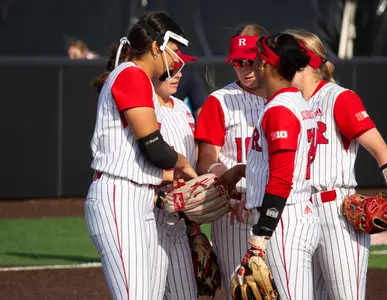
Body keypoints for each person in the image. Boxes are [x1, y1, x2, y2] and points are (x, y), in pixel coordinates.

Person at [285, 28, 387, 300]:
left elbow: (381, 150)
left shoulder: (338, 97)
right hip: (298, 211)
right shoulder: (286, 103)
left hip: (335, 213)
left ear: (301, 61)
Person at [84, 11, 197, 300]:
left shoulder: (139, 78)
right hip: (118, 197)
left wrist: (176, 177)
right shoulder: (131, 75)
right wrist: (184, 165)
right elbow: (154, 146)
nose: (177, 59)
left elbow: (140, 157)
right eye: (175, 50)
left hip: (138, 196)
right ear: (157, 46)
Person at [221, 33, 321, 300]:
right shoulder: (298, 102)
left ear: (264, 65)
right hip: (296, 212)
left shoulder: (280, 109)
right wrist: (242, 170)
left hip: (284, 221)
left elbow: (282, 176)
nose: (252, 65)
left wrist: (261, 234)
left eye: (256, 59)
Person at [194, 23, 268, 299]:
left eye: (252, 61)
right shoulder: (220, 101)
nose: (246, 68)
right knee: (244, 290)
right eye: (239, 62)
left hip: (282, 205)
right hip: (236, 210)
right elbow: (206, 160)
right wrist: (228, 184)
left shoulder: (289, 97)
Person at [150, 52, 199, 300]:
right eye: (171, 69)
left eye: (180, 68)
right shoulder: (145, 107)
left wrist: (195, 228)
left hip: (179, 219)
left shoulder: (182, 108)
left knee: (185, 295)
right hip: (150, 216)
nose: (178, 74)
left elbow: (193, 156)